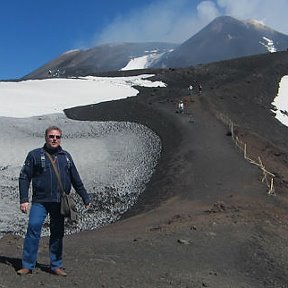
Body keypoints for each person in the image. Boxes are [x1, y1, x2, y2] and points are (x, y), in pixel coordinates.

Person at [17, 126, 91, 277]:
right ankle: (27, 265)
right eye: (51, 136)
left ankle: (56, 265)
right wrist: (24, 199)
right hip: (40, 201)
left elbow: (76, 179)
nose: (54, 139)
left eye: (57, 137)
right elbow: (24, 177)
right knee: (33, 227)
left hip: (59, 202)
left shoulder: (66, 157)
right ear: (46, 137)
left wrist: (85, 197)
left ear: (60, 139)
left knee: (57, 233)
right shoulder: (35, 155)